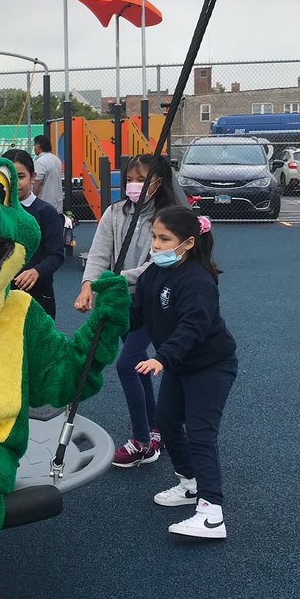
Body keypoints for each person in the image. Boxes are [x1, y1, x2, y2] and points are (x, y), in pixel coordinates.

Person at [131, 206, 237, 540]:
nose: (157, 245)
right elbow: (138, 313)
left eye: (165, 239)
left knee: (201, 432)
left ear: (188, 243)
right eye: (154, 237)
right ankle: (190, 483)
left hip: (211, 365)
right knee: (167, 421)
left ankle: (212, 513)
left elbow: (194, 327)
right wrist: (108, 314)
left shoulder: (197, 281)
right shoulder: (153, 274)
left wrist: (162, 358)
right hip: (181, 364)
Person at [75, 154, 179, 467]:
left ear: (158, 182)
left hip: (151, 299)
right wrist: (88, 285)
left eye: (141, 179)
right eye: (130, 178)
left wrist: (117, 278)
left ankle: (142, 440)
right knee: (138, 366)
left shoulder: (166, 217)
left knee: (127, 364)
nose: (134, 185)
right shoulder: (115, 212)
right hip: (122, 302)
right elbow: (98, 253)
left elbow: (156, 263)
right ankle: (156, 427)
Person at [3, 149, 64, 319]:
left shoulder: (46, 212)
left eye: (20, 177)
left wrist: (37, 271)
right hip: (1, 295)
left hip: (39, 294)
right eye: (9, 177)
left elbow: (56, 255)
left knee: (40, 343)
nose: (14, 183)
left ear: (33, 176)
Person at [32, 136, 64, 216]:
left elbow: (38, 182)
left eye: (34, 145)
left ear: (38, 146)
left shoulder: (40, 162)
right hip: (57, 202)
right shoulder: (56, 159)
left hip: (44, 202)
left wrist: (32, 198)